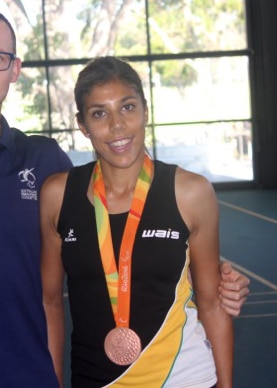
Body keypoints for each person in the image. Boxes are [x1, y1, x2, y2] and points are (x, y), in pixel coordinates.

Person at [0, 6, 247, 387]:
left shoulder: (44, 163)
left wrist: (212, 270)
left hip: (30, 377)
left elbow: (125, 224)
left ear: (15, 70)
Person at [40, 56, 233, 387]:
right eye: (99, 113)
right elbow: (50, 301)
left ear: (146, 111)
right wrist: (54, 379)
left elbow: (212, 304)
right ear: (82, 125)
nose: (117, 125)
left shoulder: (190, 193)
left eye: (127, 107)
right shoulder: (58, 195)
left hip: (183, 374)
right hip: (96, 378)